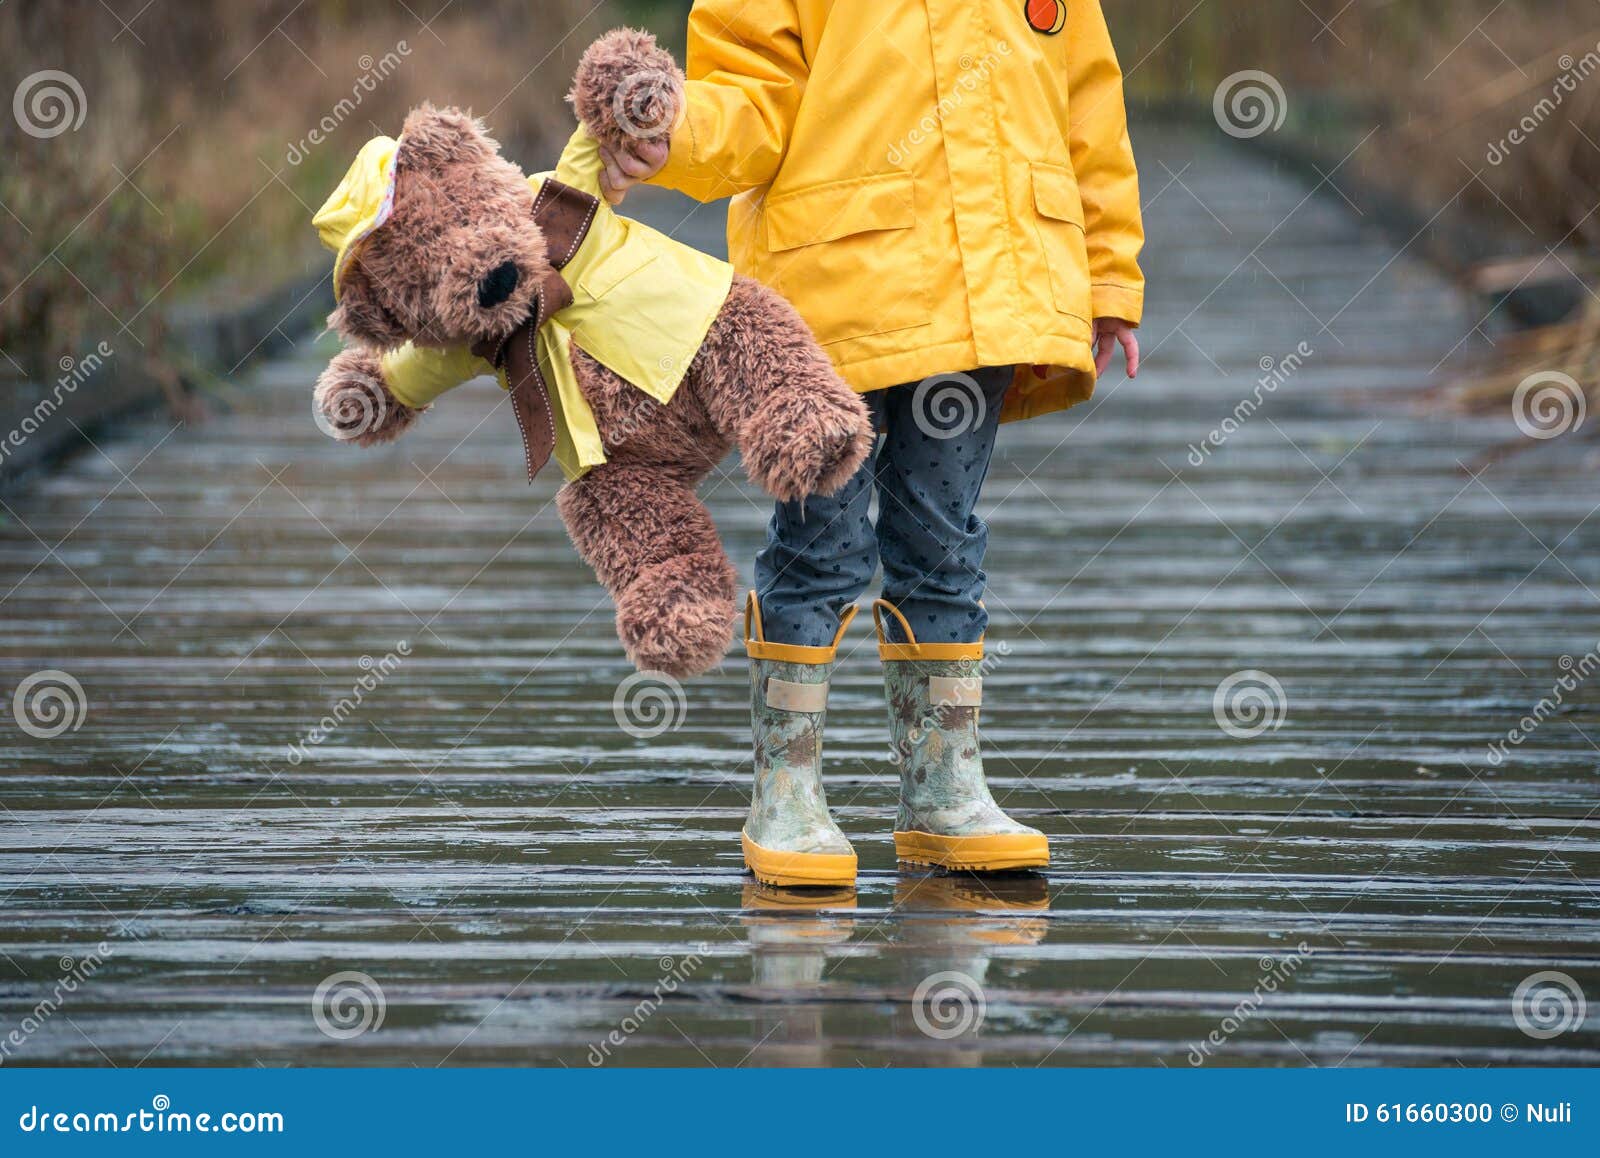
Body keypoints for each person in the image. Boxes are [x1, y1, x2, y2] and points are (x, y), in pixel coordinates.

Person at [601, 0, 1144, 886]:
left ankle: (944, 788)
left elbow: (1087, 107)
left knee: (944, 536)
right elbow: (750, 98)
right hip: (828, 298)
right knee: (823, 540)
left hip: (988, 296)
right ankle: (787, 790)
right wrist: (678, 130)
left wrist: (1110, 271)